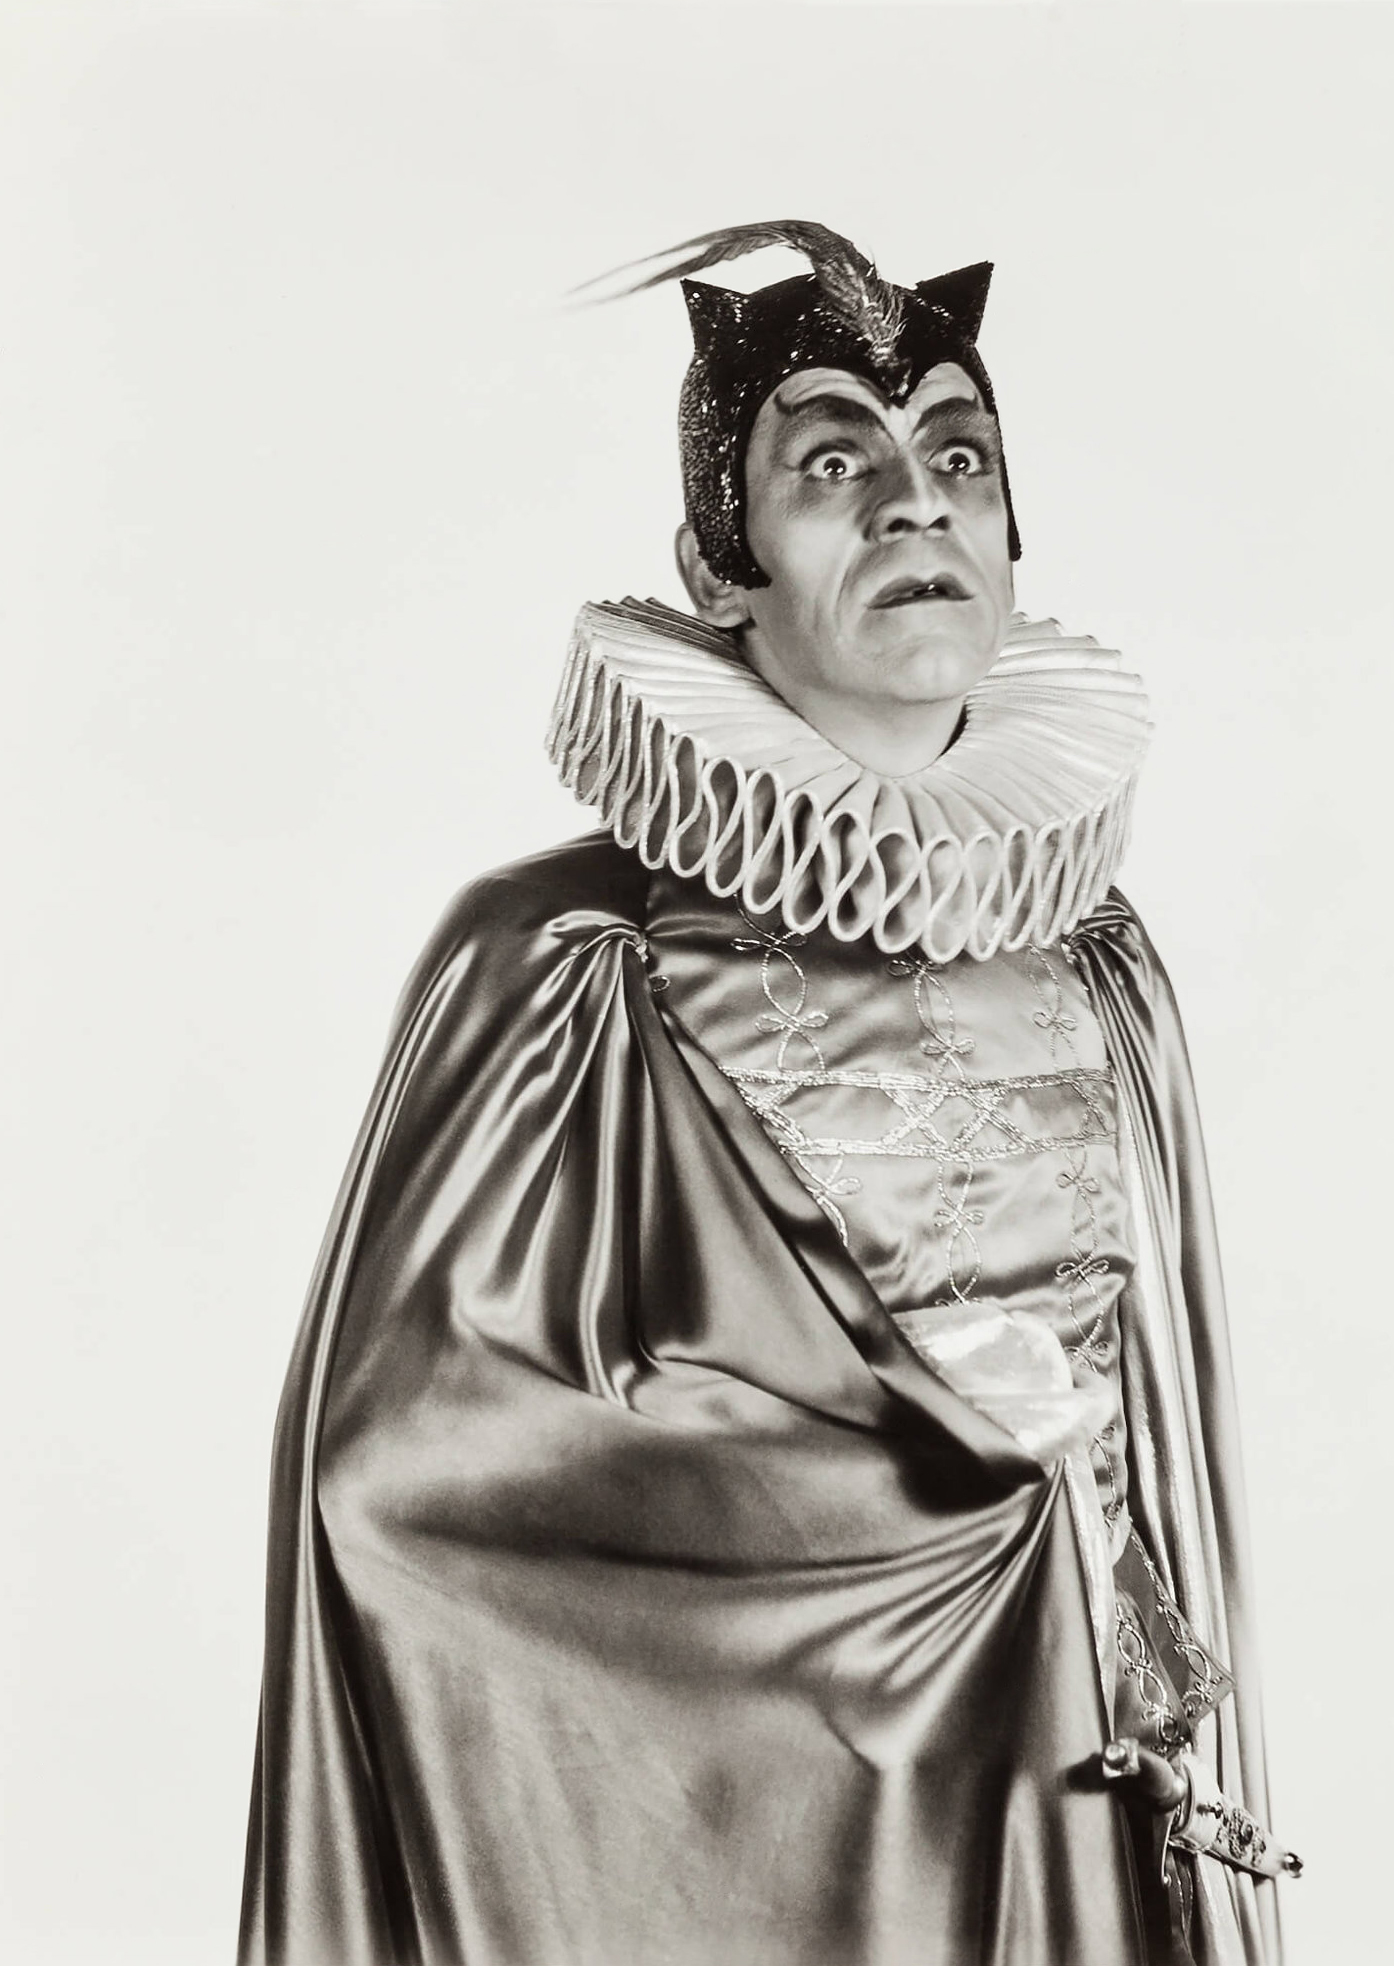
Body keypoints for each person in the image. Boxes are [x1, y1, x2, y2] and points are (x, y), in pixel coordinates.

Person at [240, 220, 1297, 1966]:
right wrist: (911, 1505)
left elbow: (1162, 1461)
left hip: (1076, 1790)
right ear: (714, 564)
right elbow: (406, 1484)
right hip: (776, 1843)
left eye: (959, 456)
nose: (913, 505)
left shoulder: (1100, 957)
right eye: (830, 465)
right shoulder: (577, 962)